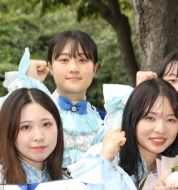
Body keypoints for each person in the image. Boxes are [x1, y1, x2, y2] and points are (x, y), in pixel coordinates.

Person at [2, 31, 104, 167]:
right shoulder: (28, 111)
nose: (74, 69)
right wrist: (28, 83)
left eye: (82, 60)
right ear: (50, 67)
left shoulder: (106, 120)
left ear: (95, 68)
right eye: (64, 60)